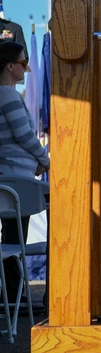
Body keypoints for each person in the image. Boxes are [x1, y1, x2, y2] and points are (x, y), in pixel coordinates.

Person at [0, 42, 48, 305]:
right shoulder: (8, 96)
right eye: (22, 62)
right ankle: (14, 296)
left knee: (10, 239)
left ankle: (11, 295)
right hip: (20, 179)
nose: (27, 67)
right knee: (15, 240)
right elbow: (25, 136)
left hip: (10, 176)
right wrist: (46, 160)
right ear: (10, 66)